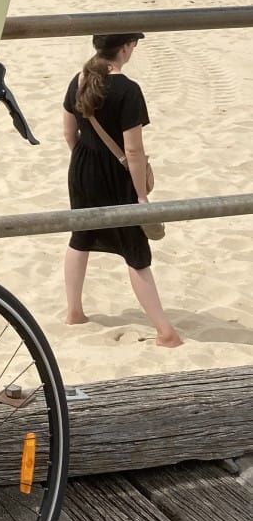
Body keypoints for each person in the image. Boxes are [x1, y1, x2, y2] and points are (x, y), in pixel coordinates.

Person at [62, 32, 180, 346]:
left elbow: (68, 131)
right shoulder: (128, 90)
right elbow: (134, 151)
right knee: (135, 250)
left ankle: (74, 312)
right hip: (116, 175)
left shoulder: (80, 79)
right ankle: (165, 331)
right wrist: (141, 194)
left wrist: (84, 158)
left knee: (80, 236)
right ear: (125, 48)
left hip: (82, 167)